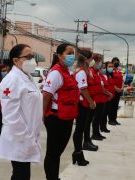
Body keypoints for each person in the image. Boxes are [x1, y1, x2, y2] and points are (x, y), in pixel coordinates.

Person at [0, 44, 43, 180]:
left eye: (33, 57)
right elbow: (11, 116)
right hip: (20, 138)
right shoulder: (11, 80)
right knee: (21, 175)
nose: (32, 60)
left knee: (21, 175)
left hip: (29, 137)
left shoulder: (27, 77)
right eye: (28, 57)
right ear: (16, 61)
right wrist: (26, 137)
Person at [43, 43, 80, 180]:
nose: (72, 56)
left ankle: (54, 176)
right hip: (56, 118)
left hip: (67, 117)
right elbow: (46, 95)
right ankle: (51, 177)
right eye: (68, 53)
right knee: (53, 152)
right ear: (59, 55)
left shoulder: (67, 72)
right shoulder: (56, 73)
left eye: (73, 53)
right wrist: (43, 115)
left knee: (58, 151)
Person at [72, 53, 93, 166]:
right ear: (86, 60)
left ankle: (78, 153)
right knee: (79, 129)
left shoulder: (83, 71)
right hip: (82, 103)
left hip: (83, 103)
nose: (92, 62)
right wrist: (91, 102)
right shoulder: (81, 72)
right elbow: (83, 89)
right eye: (91, 59)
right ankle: (78, 153)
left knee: (81, 128)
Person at [88, 54, 109, 141]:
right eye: (99, 62)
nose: (100, 64)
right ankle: (95, 134)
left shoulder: (96, 72)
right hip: (96, 98)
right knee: (96, 118)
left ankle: (97, 133)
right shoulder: (91, 71)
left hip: (101, 98)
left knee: (99, 117)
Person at [100, 61, 115, 133]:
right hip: (106, 97)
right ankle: (102, 128)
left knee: (106, 113)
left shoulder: (110, 75)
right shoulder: (104, 76)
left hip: (110, 97)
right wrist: (109, 95)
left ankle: (104, 127)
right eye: (109, 66)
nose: (111, 68)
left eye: (112, 66)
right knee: (103, 114)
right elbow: (104, 88)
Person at [109, 57, 123, 125]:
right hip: (113, 91)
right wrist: (116, 88)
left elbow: (122, 80)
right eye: (115, 62)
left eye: (118, 62)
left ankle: (114, 119)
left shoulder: (119, 71)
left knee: (116, 106)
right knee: (111, 106)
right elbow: (110, 82)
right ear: (112, 63)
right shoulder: (110, 71)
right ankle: (110, 120)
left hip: (119, 91)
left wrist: (122, 88)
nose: (117, 63)